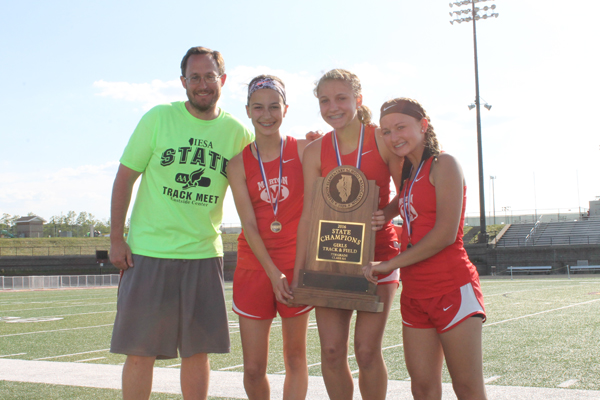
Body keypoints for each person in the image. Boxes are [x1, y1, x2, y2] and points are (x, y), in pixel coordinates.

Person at [109, 46, 253, 400]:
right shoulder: (159, 117)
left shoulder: (237, 132)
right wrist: (116, 237)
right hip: (148, 251)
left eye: (209, 76)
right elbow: (124, 178)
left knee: (197, 352)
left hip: (203, 253)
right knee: (140, 351)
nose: (202, 84)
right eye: (194, 77)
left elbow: (261, 181)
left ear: (222, 79)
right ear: (183, 81)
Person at [363, 98, 487, 400]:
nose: (394, 137)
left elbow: (444, 234)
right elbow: (408, 201)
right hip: (415, 293)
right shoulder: (410, 170)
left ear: (423, 125)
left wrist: (389, 264)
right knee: (422, 388)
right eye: (387, 132)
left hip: (451, 287)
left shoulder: (444, 164)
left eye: (401, 128)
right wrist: (387, 212)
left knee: (467, 388)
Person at [292, 69, 403, 400]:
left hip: (378, 259)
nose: (333, 107)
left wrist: (388, 213)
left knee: (367, 352)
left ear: (358, 98)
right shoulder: (314, 151)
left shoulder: (381, 138)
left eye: (341, 98)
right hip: (330, 262)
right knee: (331, 352)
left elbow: (406, 192)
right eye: (324, 100)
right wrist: (300, 271)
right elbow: (309, 215)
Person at [227, 75, 313, 400]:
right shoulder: (237, 164)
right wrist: (271, 271)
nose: (267, 115)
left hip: (296, 266)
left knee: (295, 357)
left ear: (285, 109)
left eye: (274, 107)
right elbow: (248, 223)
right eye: (259, 107)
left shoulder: (305, 150)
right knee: (252, 368)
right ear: (248, 111)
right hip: (255, 268)